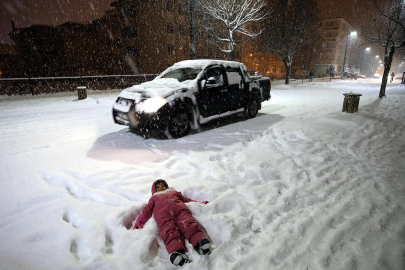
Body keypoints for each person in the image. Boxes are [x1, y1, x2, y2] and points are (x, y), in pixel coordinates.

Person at [133, 179, 211, 266]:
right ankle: (176, 252)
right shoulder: (154, 198)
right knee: (169, 231)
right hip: (163, 217)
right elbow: (146, 211)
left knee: (189, 224)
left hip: (180, 211)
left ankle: (199, 241)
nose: (161, 187)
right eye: (158, 187)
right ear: (154, 190)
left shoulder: (174, 192)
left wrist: (199, 203)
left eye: (162, 185)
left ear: (166, 186)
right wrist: (139, 222)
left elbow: (186, 200)